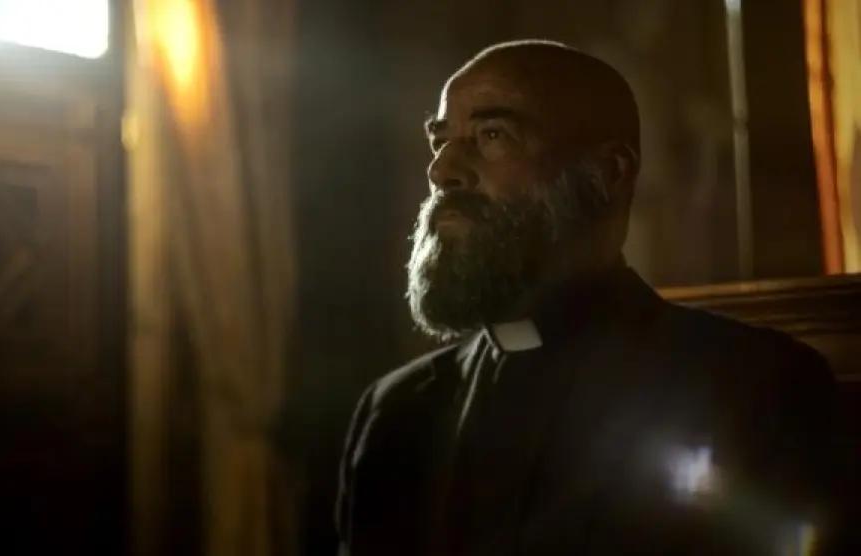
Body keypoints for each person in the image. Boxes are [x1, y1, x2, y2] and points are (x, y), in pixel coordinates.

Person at [334, 40, 842, 556]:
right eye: (440, 141)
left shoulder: (755, 388)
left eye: (492, 135)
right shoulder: (395, 413)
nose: (442, 171)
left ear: (610, 171)